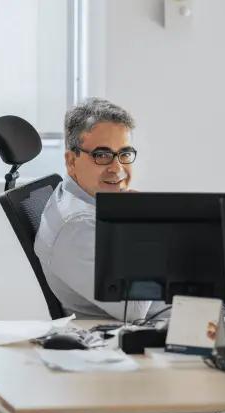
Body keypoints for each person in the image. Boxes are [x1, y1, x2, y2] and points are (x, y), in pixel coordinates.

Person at [35, 97, 164, 321]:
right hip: (163, 333)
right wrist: (145, 228)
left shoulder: (91, 201)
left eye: (124, 154)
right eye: (102, 155)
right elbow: (133, 310)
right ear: (71, 161)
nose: (117, 168)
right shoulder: (77, 226)